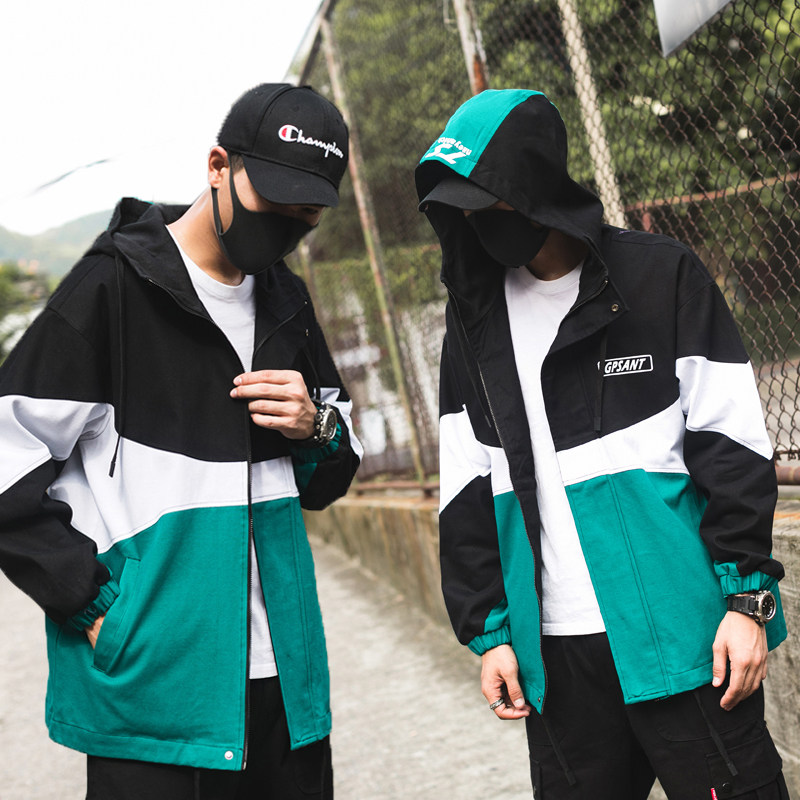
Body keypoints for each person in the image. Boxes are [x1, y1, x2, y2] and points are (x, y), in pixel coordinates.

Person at [415, 89, 788, 798]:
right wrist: (490, 633)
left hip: (686, 639)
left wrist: (748, 602)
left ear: (535, 187)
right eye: (459, 208)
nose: (474, 220)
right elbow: (464, 485)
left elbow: (733, 446)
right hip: (556, 663)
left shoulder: (659, 275)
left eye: (487, 201)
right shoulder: (473, 321)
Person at [0, 83, 362, 799]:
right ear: (219, 166)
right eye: (275, 202)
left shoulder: (286, 301)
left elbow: (330, 477)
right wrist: (94, 606)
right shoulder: (108, 290)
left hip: (284, 687)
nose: (286, 229)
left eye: (307, 215)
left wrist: (314, 427)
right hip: (157, 692)